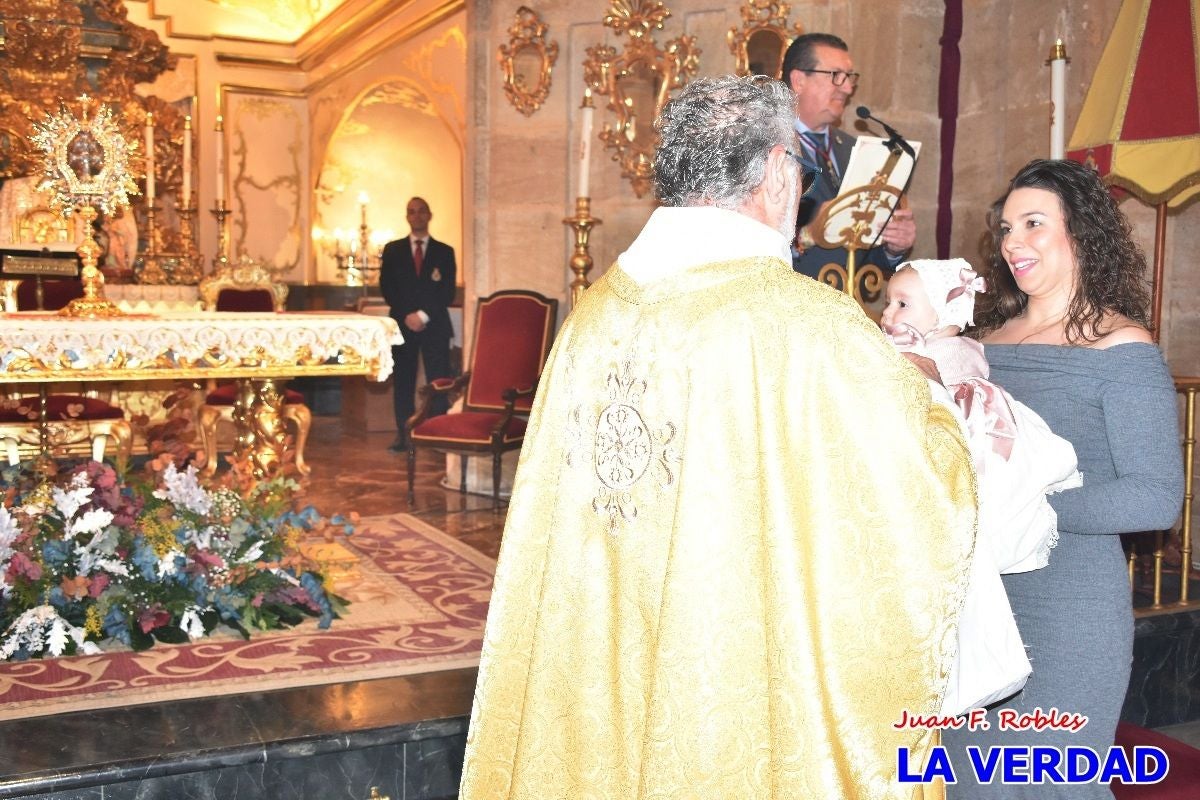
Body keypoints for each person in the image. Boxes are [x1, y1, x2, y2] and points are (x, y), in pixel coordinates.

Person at [459, 74, 977, 799]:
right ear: (772, 172)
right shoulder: (808, 325)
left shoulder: (592, 319)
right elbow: (913, 498)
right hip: (732, 679)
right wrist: (929, 389)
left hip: (596, 664)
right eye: (797, 167)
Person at [942, 159, 1184, 799]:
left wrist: (1027, 507)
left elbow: (1155, 496)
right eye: (1006, 228)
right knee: (971, 784)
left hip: (1069, 605)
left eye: (1033, 224)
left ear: (1081, 234)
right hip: (976, 600)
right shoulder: (981, 344)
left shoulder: (1122, 348)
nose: (1012, 242)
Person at [782, 32, 917, 281]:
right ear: (799, 80)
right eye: (836, 76)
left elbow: (864, 250)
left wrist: (892, 247)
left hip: (856, 302)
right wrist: (809, 235)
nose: (847, 87)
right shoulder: (771, 149)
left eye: (849, 77)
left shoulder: (855, 148)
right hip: (794, 303)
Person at [378, 196, 456, 452]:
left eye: (422, 211)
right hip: (402, 325)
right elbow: (388, 288)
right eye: (412, 212)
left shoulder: (445, 252)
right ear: (407, 217)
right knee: (403, 381)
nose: (417, 216)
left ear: (429, 215)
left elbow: (446, 292)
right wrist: (408, 315)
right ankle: (404, 434)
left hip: (434, 325)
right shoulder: (392, 250)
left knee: (438, 382)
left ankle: (437, 433)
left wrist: (423, 315)